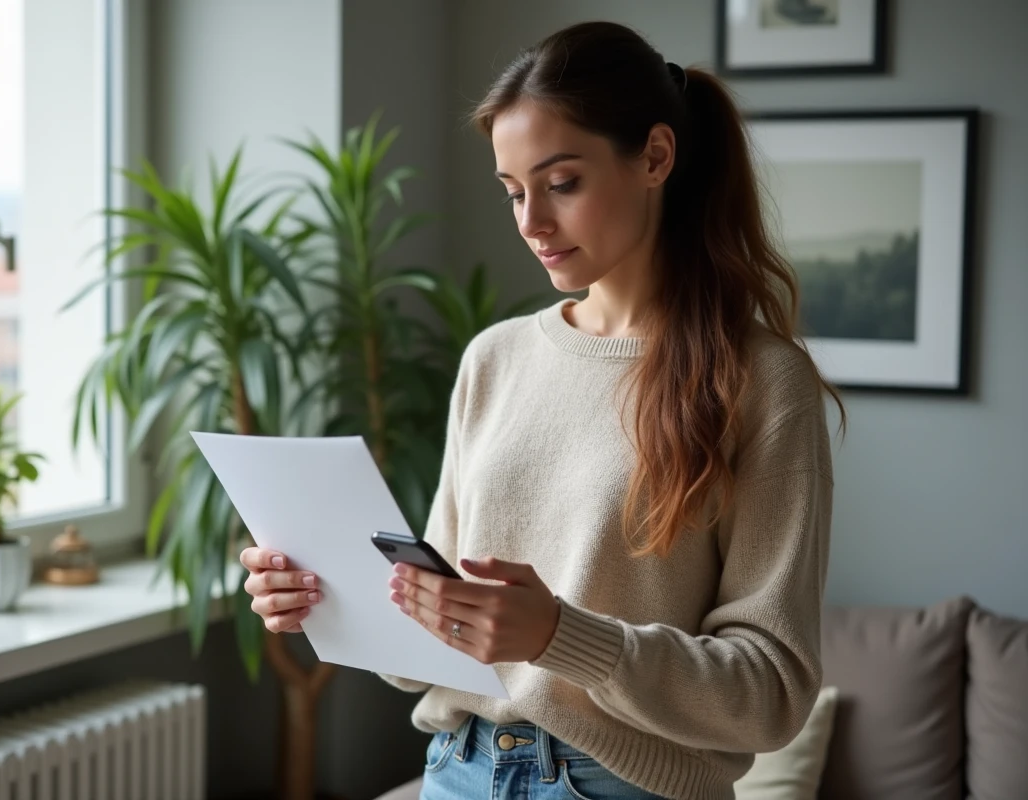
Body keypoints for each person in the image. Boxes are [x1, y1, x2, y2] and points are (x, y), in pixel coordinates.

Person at [240, 19, 844, 800]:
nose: (531, 223)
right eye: (515, 192)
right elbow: (432, 645)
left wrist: (562, 637)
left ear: (655, 157)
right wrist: (326, 595)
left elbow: (770, 696)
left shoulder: (763, 381)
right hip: (456, 769)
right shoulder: (495, 359)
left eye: (562, 184)